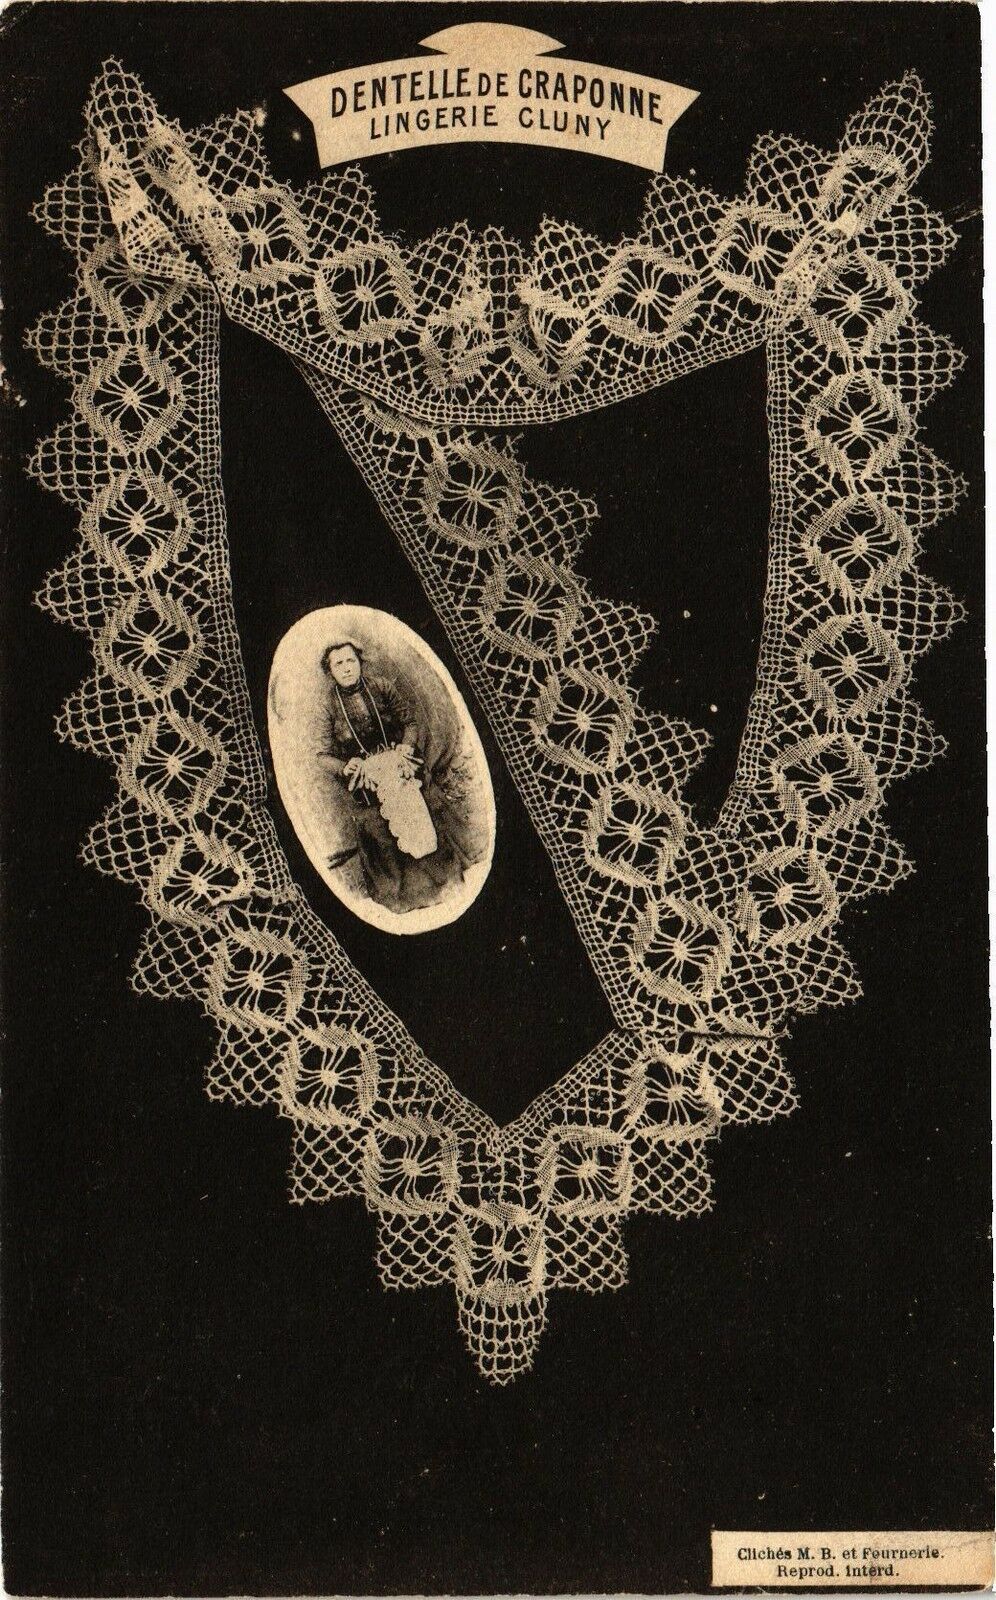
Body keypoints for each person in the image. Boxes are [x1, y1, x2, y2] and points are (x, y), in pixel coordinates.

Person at [316, 640, 470, 914]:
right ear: (330, 671)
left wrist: (406, 746)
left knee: (424, 808)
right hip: (366, 779)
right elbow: (322, 756)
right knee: (378, 829)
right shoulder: (328, 707)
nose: (346, 668)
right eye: (338, 664)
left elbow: (409, 723)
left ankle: (446, 886)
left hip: (399, 765)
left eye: (351, 661)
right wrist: (346, 766)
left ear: (360, 662)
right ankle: (402, 900)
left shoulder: (381, 687)